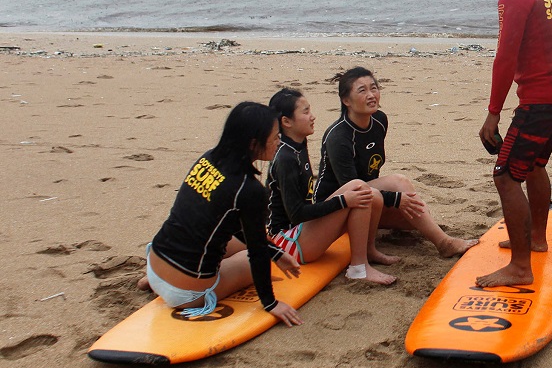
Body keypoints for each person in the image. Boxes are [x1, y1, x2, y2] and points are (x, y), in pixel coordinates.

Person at [467, 0, 552, 288]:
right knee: (533, 166)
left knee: (505, 175)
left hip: (540, 101)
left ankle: (519, 267)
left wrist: (493, 112)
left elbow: (505, 57)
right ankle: (537, 239)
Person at [139, 102, 302, 326]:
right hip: (186, 293)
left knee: (238, 242)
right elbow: (256, 254)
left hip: (154, 261)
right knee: (248, 261)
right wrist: (271, 303)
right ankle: (175, 288)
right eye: (275, 137)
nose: (279, 141)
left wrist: (274, 251)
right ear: (254, 143)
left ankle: (153, 282)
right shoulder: (250, 190)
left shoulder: (208, 159)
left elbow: (227, 219)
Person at [313, 69, 479, 258]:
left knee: (415, 217)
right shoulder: (339, 136)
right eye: (362, 91)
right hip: (335, 208)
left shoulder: (379, 120)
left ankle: (379, 225)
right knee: (400, 183)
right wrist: (395, 199)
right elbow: (352, 187)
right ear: (346, 101)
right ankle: (444, 243)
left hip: (368, 201)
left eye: (373, 88)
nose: (371, 95)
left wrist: (396, 202)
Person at [267, 88, 397, 285]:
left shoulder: (297, 145)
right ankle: (358, 269)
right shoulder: (285, 157)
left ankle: (369, 251)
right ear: (286, 122)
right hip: (286, 244)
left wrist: (343, 202)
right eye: (306, 112)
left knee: (373, 196)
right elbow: (296, 214)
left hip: (301, 233)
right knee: (357, 189)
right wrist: (343, 201)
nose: (312, 117)